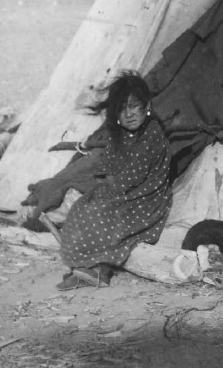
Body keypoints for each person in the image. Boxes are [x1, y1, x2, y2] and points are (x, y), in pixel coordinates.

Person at [57, 71, 172, 290]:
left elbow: (135, 175)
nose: (128, 114)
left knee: (106, 214)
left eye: (134, 106)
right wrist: (107, 185)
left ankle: (102, 271)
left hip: (146, 195)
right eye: (122, 108)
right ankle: (84, 267)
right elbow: (108, 161)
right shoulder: (119, 133)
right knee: (82, 208)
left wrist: (111, 189)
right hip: (122, 189)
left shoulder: (152, 134)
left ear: (147, 106)